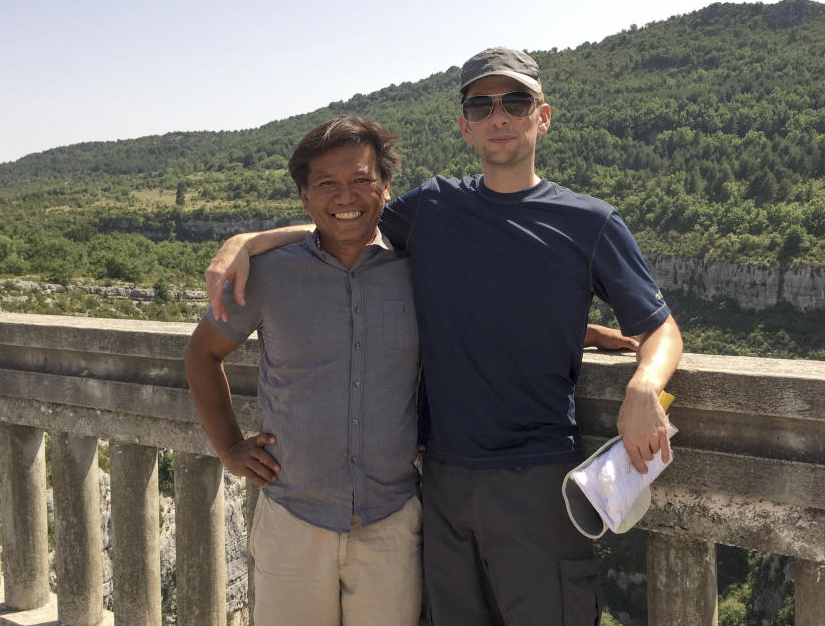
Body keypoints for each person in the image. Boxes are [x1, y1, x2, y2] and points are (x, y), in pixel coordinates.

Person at [205, 47, 683, 626]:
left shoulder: (589, 222)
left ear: (543, 115)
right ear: (465, 126)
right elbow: (347, 218)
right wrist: (247, 241)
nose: (498, 116)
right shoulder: (434, 207)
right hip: (442, 480)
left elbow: (659, 328)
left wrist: (643, 386)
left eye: (515, 101)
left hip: (537, 478)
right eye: (481, 106)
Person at [183, 116, 424, 626]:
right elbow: (201, 355)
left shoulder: (418, 270)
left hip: (391, 521)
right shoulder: (267, 274)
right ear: (305, 196)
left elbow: (485, 317)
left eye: (362, 179)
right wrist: (228, 447)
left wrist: (583, 333)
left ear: (385, 185)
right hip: (293, 520)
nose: (347, 195)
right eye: (327, 183)